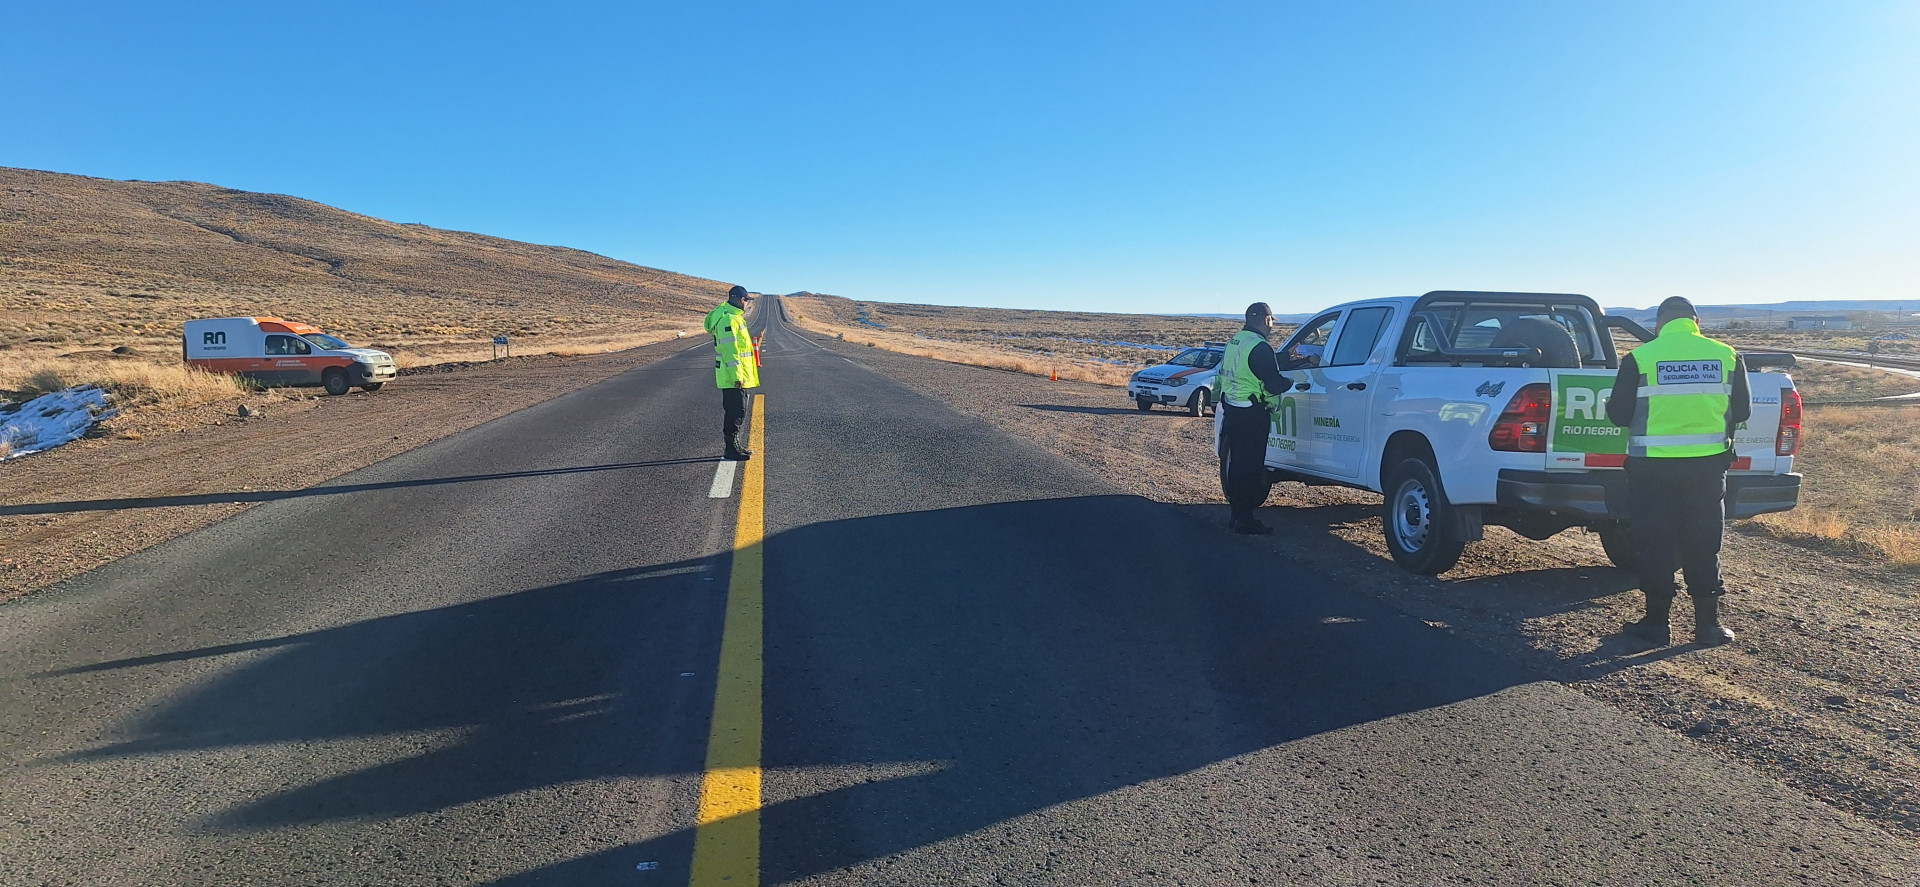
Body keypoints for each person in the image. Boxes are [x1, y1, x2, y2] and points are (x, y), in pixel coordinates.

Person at [1606, 296, 1750, 646]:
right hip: (1707, 468)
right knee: (1703, 541)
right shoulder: (1727, 355)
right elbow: (1742, 411)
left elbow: (1620, 415)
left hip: (1651, 469)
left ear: (1660, 323)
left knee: (1656, 542)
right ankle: (1708, 626)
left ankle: (1656, 626)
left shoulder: (1640, 358)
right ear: (1696, 321)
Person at [1215, 302, 1295, 535]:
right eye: (1272, 320)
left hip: (1233, 410)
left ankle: (1236, 514)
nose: (1272, 326)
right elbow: (1272, 383)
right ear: (1265, 320)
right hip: (1252, 414)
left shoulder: (1236, 342)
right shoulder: (1260, 347)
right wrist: (1289, 382)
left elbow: (1247, 368)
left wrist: (1285, 358)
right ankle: (1245, 519)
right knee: (1251, 468)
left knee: (1238, 465)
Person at [704, 286, 761, 460]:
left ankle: (735, 446)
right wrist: (737, 376)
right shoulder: (728, 319)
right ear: (739, 299)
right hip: (732, 377)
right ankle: (731, 449)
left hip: (735, 375)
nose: (746, 303)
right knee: (735, 412)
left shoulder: (734, 318)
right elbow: (730, 351)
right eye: (745, 300)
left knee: (738, 411)